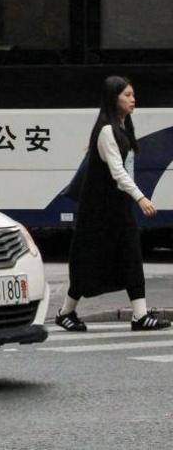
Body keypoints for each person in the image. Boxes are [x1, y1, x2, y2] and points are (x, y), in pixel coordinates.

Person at [56, 76, 170, 332]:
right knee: (89, 259)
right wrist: (140, 197)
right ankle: (65, 312)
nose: (133, 99)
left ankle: (139, 316)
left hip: (117, 207)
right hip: (99, 210)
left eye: (133, 94)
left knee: (130, 254)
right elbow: (118, 173)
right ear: (113, 98)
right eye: (127, 95)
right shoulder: (107, 131)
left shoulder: (121, 126)